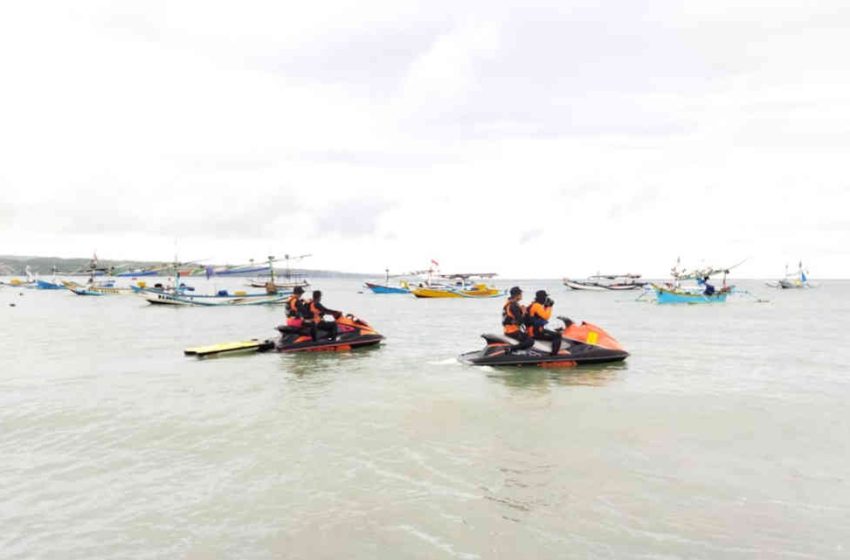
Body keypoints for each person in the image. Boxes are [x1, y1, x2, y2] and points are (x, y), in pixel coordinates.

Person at [526, 290, 562, 356]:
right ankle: (554, 355)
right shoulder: (537, 306)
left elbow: (540, 316)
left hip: (532, 330)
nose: (546, 299)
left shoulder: (533, 304)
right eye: (545, 297)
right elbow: (546, 317)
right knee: (558, 336)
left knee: (554, 332)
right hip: (535, 332)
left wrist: (545, 306)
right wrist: (549, 306)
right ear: (542, 298)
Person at [502, 286, 533, 354]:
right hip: (512, 331)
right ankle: (510, 349)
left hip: (508, 330)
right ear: (517, 295)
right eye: (521, 294)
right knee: (530, 341)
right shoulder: (514, 305)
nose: (522, 295)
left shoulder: (510, 303)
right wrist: (524, 313)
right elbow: (520, 321)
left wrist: (522, 311)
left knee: (525, 335)